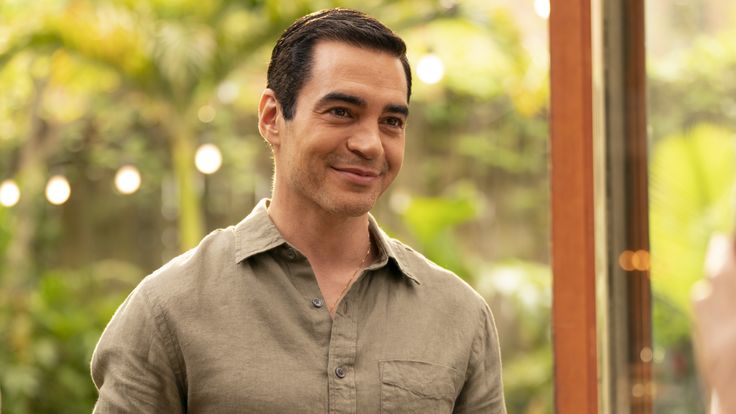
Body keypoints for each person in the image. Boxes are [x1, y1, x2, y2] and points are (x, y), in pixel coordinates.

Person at [91, 8, 506, 413]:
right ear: (272, 117)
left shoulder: (459, 315)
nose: (370, 144)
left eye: (392, 121)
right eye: (341, 112)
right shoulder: (168, 308)